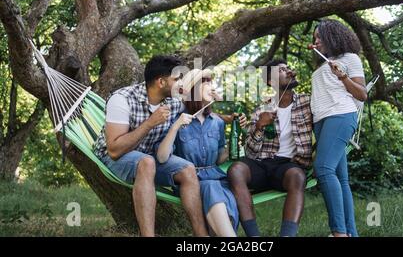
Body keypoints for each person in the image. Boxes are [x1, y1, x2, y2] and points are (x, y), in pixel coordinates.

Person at [93, 55, 208, 237]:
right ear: (161, 82)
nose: (182, 84)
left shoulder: (174, 101)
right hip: (113, 157)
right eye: (177, 79)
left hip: (149, 156)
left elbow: (197, 111)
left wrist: (227, 118)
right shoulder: (122, 100)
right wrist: (149, 123)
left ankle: (202, 236)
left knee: (187, 169)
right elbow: (114, 150)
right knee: (146, 162)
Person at [227, 59, 313, 237]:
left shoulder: (308, 102)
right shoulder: (261, 109)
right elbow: (250, 152)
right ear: (270, 81)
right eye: (282, 70)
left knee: (298, 176)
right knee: (236, 170)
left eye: (288, 68)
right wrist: (259, 126)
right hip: (261, 164)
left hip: (288, 166)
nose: (288, 71)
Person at [156, 69, 244, 237]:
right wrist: (175, 127)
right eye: (207, 83)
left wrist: (236, 145)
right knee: (211, 188)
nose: (212, 87)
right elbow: (161, 157)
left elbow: (219, 158)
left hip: (217, 178)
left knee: (220, 192)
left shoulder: (217, 122)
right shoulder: (176, 118)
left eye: (212, 83)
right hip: (191, 182)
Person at [310, 19, 367, 237]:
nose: (316, 41)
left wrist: (342, 76)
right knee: (341, 178)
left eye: (319, 37)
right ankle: (351, 233)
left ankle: (339, 233)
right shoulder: (322, 64)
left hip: (341, 116)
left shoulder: (349, 59)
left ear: (332, 36)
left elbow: (362, 94)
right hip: (322, 121)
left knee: (323, 169)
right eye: (314, 38)